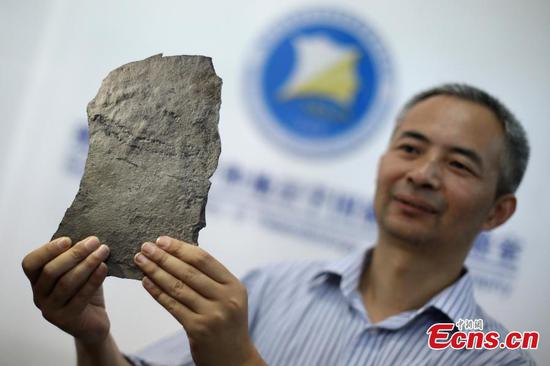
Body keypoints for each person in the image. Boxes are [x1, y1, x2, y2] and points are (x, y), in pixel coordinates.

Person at [22, 83, 537, 365]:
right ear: (382, 164)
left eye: (459, 165)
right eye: (410, 148)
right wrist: (92, 339)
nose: (422, 175)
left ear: (498, 211)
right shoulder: (273, 288)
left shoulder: (497, 355)